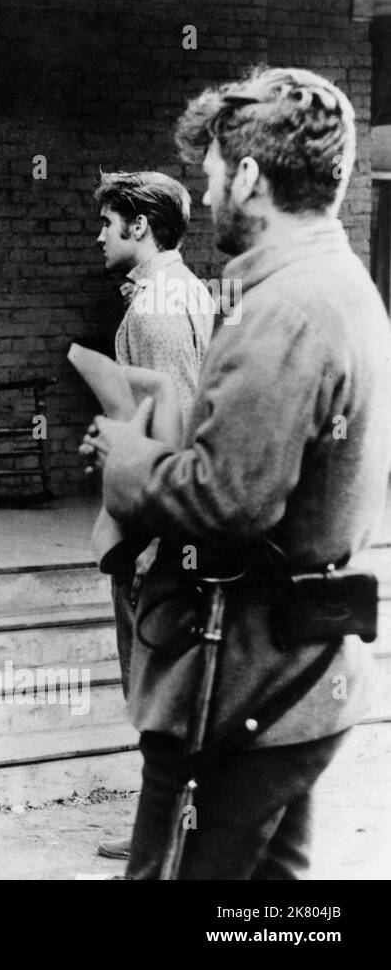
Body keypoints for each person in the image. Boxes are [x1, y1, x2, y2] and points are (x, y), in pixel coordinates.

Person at [82, 67, 391, 879]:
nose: (208, 188)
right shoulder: (338, 287)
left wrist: (127, 459)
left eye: (214, 170)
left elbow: (229, 499)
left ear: (250, 176)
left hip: (238, 687)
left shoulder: (284, 307)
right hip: (298, 681)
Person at [92, 170, 212, 862]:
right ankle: (164, 826)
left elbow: (173, 426)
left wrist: (150, 534)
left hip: (162, 527)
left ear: (140, 227)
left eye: (109, 223)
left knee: (157, 682)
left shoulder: (156, 309)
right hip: (169, 518)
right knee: (166, 684)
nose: (100, 236)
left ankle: (165, 838)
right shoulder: (183, 288)